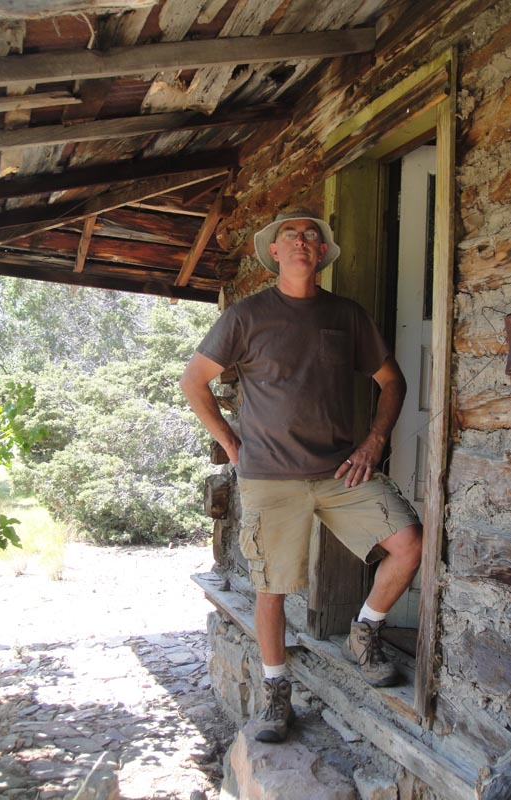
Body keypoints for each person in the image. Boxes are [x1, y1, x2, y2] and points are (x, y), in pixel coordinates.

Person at [180, 208, 422, 744]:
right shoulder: (245, 316)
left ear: (321, 253)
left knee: (407, 543)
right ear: (274, 253)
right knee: (272, 588)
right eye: (290, 235)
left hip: (342, 471)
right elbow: (193, 382)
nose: (301, 242)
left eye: (312, 236)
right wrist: (231, 444)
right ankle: (275, 694)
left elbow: (393, 381)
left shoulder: (348, 315)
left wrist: (374, 441)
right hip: (270, 477)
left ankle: (366, 632)